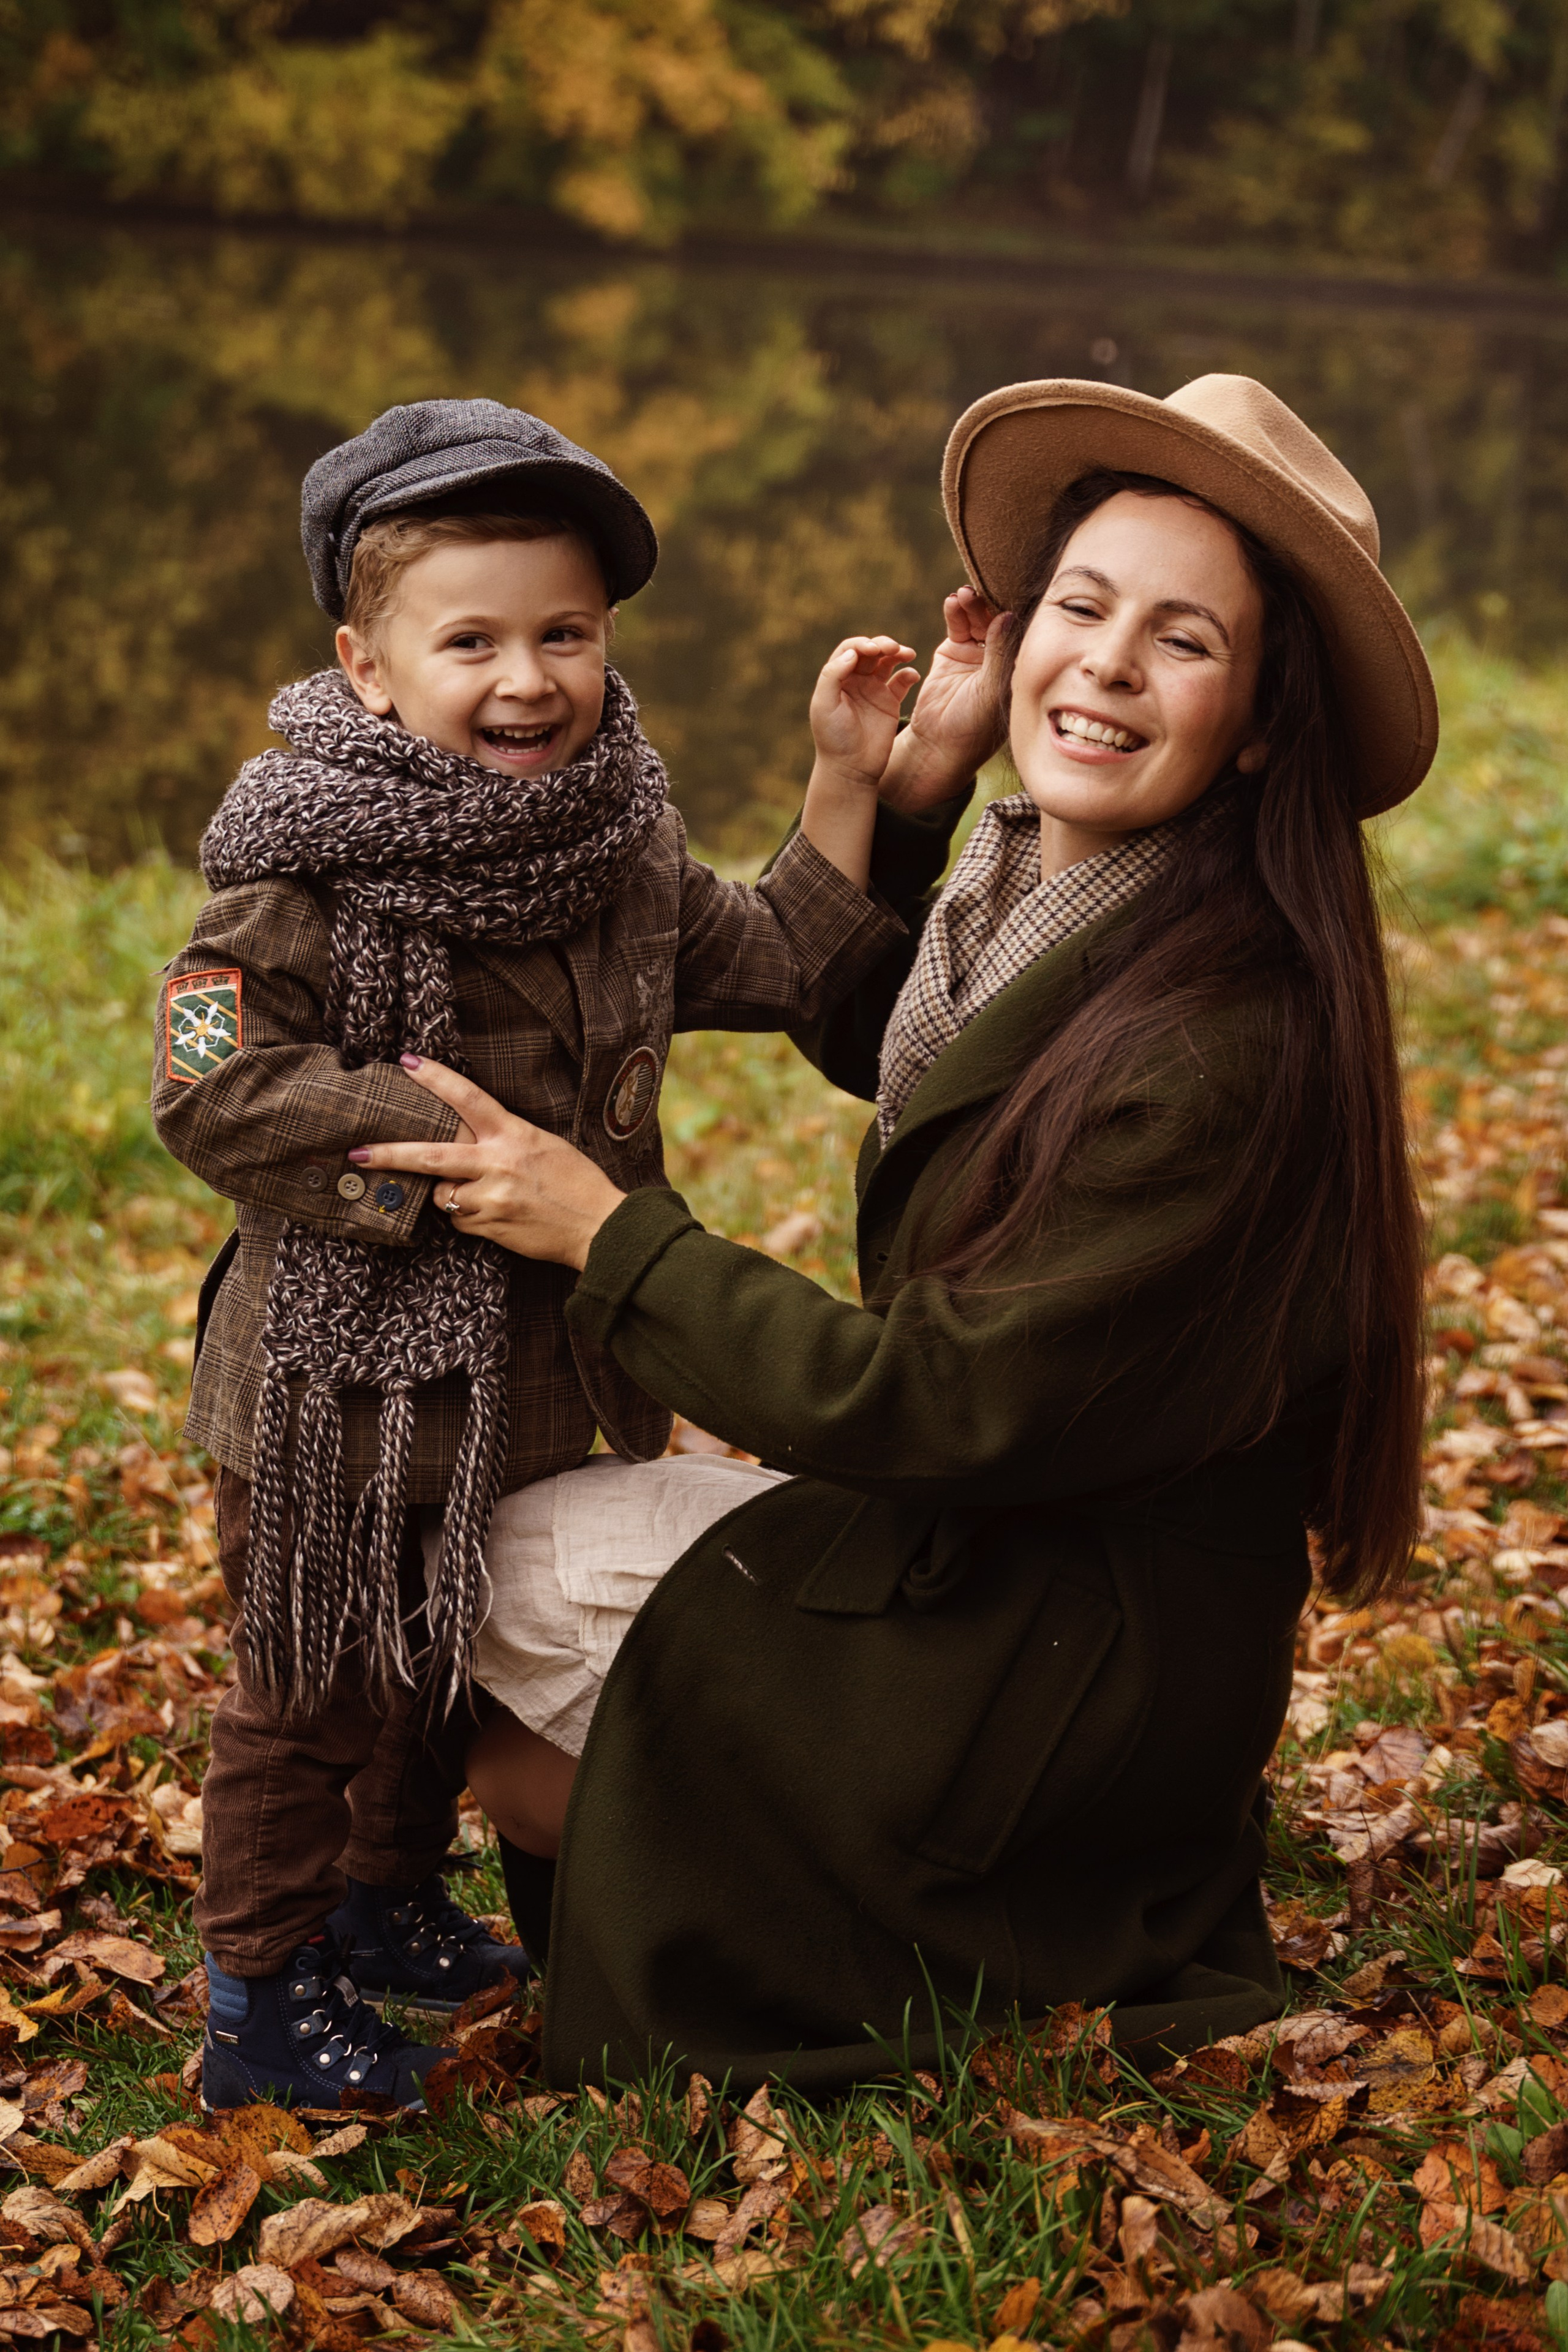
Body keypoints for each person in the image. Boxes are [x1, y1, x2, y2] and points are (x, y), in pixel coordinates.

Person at [351, 374, 1438, 2095]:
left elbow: (935, 1403)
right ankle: (764, 1854)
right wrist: (899, 788)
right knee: (460, 1560)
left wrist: (612, 1235)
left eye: (1182, 641)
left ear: (1258, 722)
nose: (1105, 665)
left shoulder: (1222, 1032)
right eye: (1080, 607)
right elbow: (915, 1049)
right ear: (1013, 638)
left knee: (475, 1574)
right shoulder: (1080, 897)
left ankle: (882, 1917)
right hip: (1029, 1568)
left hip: (1062, 1668)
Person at [152, 397, 938, 2111]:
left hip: (530, 1368)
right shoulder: (298, 862)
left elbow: (790, 963)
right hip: (334, 1386)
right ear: (367, 665)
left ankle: (383, 1899)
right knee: (312, 1686)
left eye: (564, 633)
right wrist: (436, 1161)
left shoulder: (616, 844)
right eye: (474, 641)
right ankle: (261, 1996)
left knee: (444, 1654)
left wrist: (844, 775)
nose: (529, 679)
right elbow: (204, 1087)